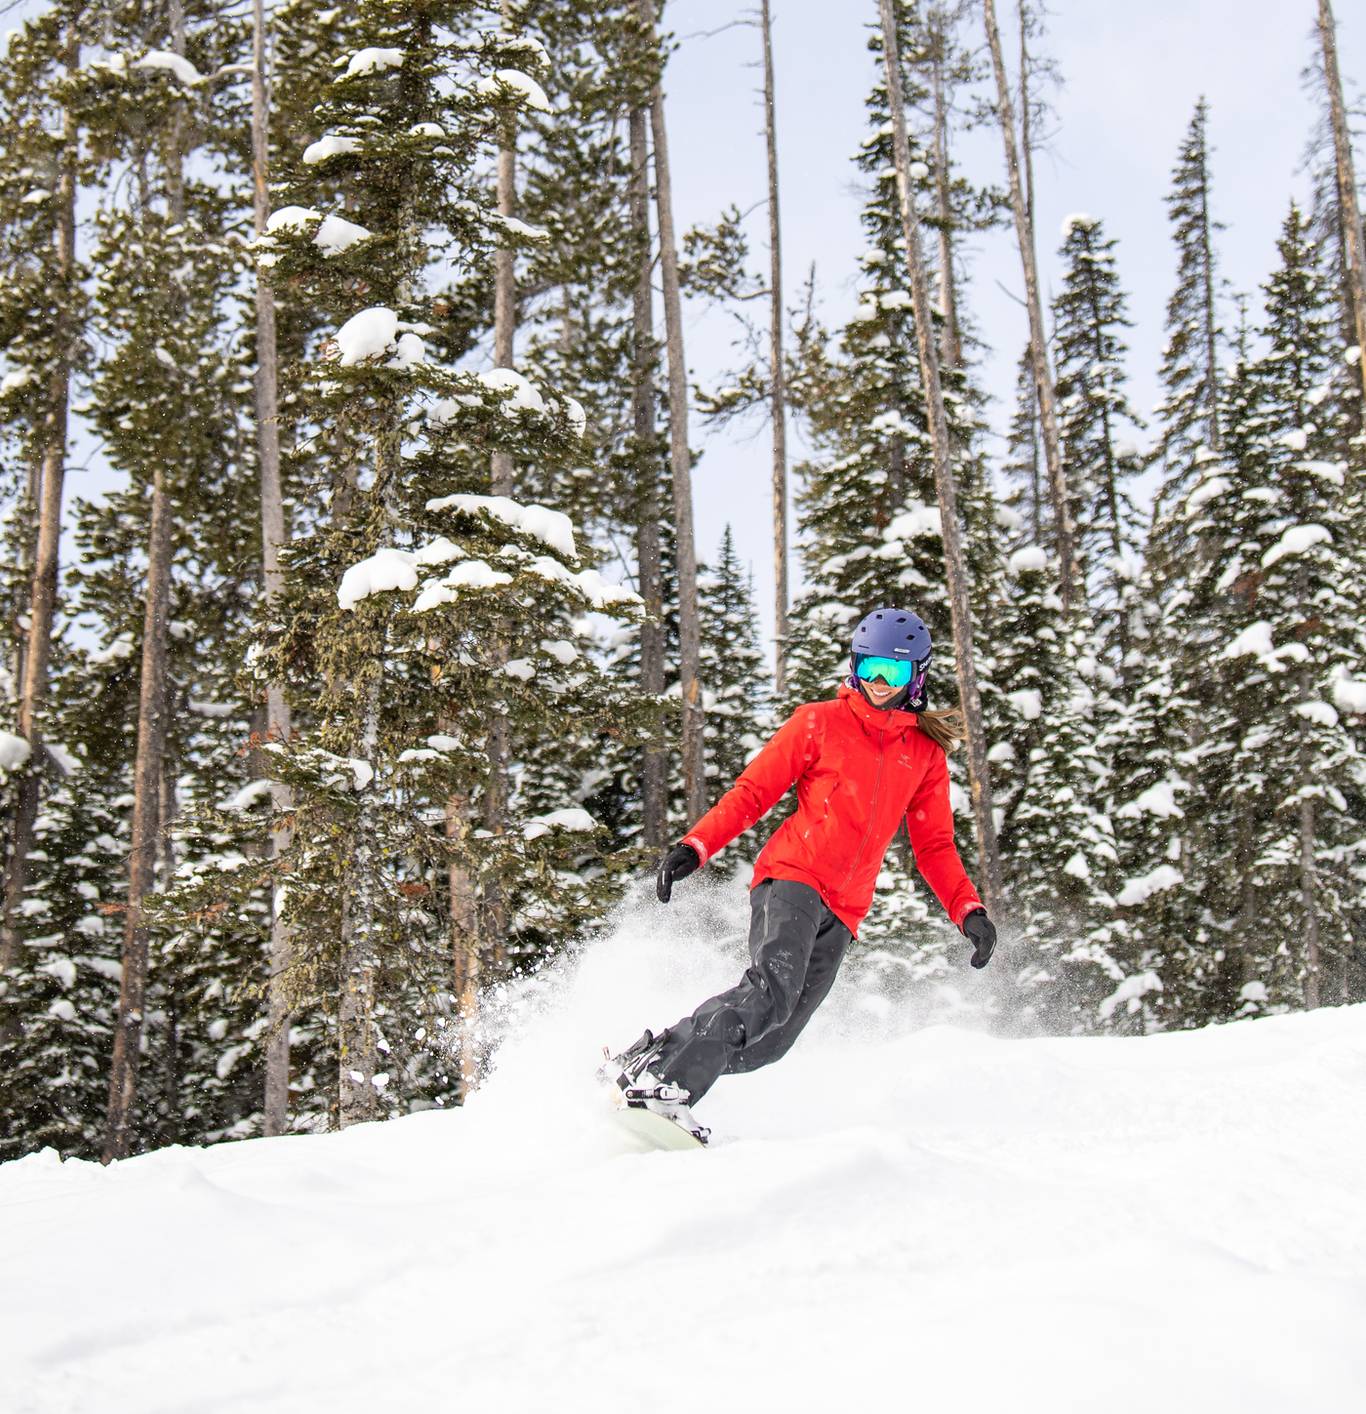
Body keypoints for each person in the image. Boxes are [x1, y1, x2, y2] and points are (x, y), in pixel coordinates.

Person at [605, 606, 997, 1144]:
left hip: (845, 907)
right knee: (770, 993)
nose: (880, 684)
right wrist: (696, 846)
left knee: (771, 1041)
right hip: (794, 877)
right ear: (854, 667)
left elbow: (934, 845)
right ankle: (664, 1084)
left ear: (918, 677)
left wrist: (967, 909)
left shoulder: (924, 754)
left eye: (896, 673)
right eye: (870, 668)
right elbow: (753, 792)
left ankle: (650, 1057)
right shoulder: (819, 722)